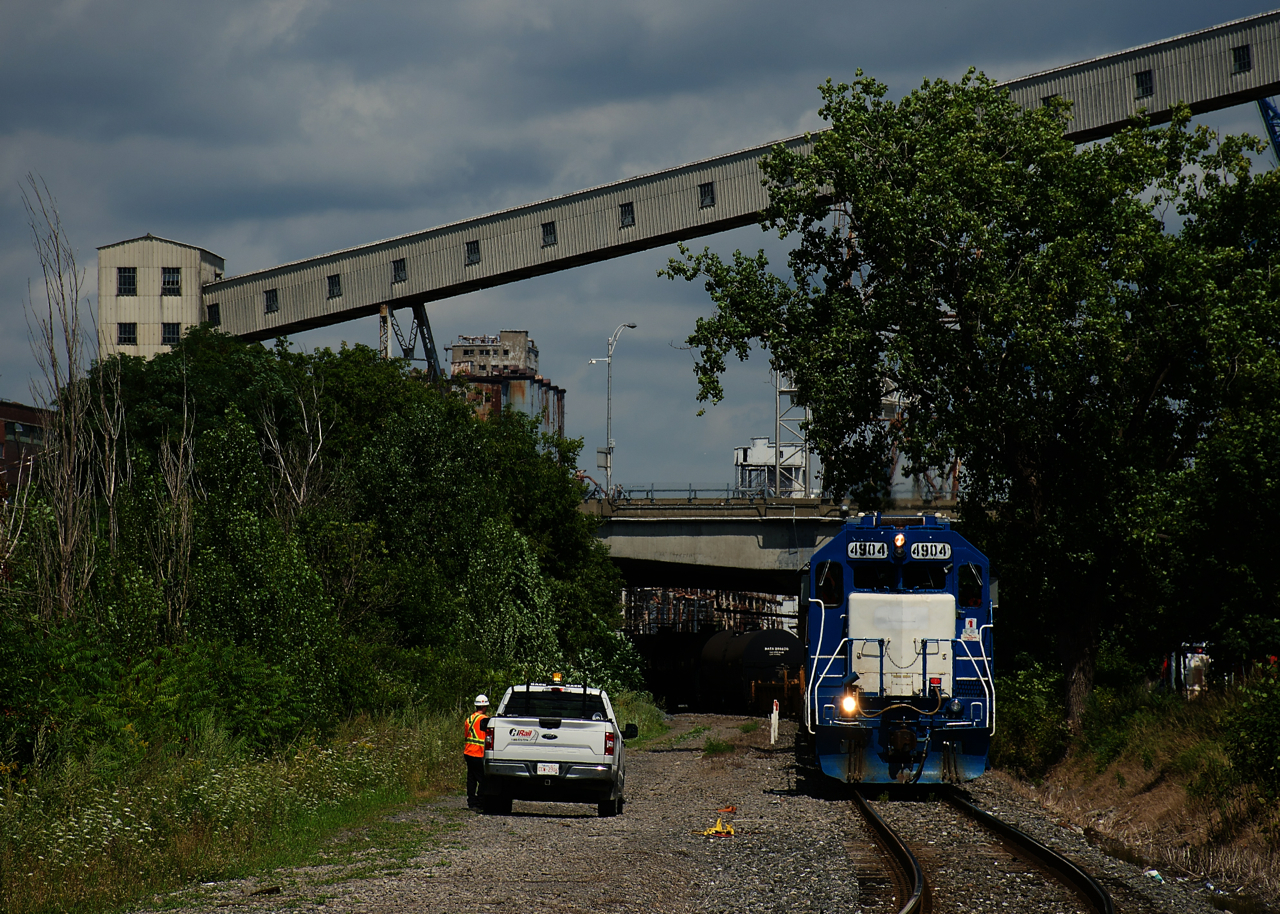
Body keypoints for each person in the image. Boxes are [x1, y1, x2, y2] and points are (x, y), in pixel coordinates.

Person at [464, 694, 489, 808]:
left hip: (468, 752)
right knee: (483, 779)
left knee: (471, 778)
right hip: (478, 753)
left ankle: (471, 801)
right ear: (484, 707)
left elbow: (466, 736)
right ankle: (480, 802)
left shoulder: (468, 719)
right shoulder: (484, 720)